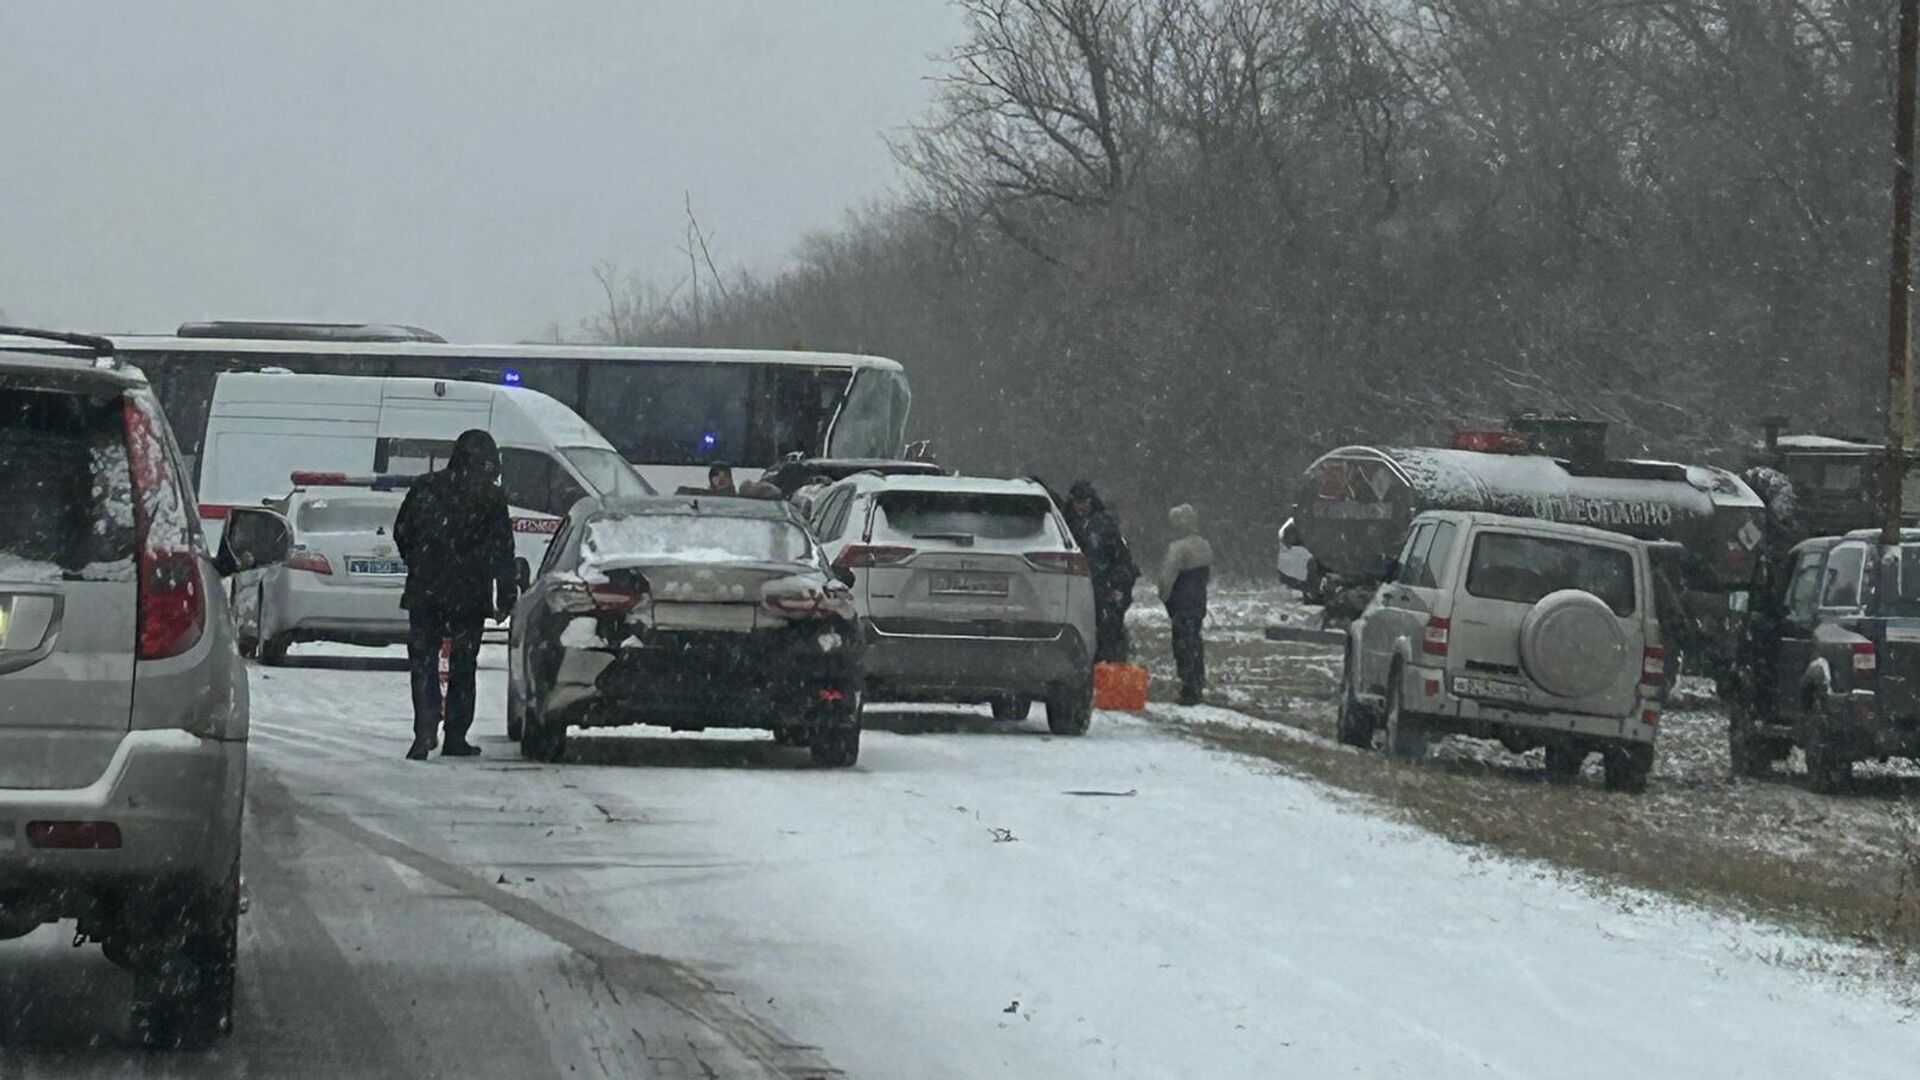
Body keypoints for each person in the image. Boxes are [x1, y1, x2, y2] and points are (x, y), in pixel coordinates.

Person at [393, 429, 517, 760]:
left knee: (423, 661)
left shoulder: (425, 487)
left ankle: (424, 732)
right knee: (464, 664)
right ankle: (455, 736)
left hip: (425, 590)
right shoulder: (491, 497)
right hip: (469, 593)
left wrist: (420, 562)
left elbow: (401, 531)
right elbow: (502, 550)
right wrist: (505, 595)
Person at [1063, 480, 1139, 662]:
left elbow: (1121, 559)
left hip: (1102, 589)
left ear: (1091, 501)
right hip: (1078, 588)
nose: (1081, 507)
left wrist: (1118, 586)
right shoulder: (1067, 524)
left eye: (1084, 502)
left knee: (1107, 635)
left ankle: (1105, 672)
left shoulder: (1104, 525)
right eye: (1077, 502)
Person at [1158, 503, 1213, 706]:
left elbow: (1167, 578)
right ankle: (1197, 681)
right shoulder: (1205, 546)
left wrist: (1165, 597)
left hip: (1181, 602)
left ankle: (1188, 687)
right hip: (1198, 601)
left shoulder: (1178, 549)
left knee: (1182, 644)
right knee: (1194, 642)